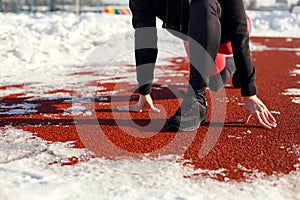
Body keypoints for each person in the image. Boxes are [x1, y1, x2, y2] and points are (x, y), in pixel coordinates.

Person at [118, 0, 277, 131]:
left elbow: (239, 32)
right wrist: (144, 90)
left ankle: (196, 100)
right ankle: (231, 65)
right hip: (195, 32)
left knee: (203, 4)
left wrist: (249, 92)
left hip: (227, 26)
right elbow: (145, 37)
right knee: (215, 83)